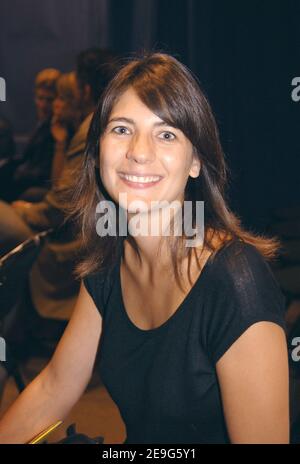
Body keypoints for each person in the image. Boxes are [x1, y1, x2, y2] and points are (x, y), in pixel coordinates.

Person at [0, 52, 289, 444]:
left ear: (195, 162)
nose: (139, 151)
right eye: (121, 129)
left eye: (166, 134)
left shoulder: (236, 280)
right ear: (97, 148)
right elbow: (54, 386)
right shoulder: (110, 258)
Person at [9, 68, 61, 202]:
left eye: (49, 100)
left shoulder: (57, 130)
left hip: (35, 188)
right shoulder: (42, 123)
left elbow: (44, 172)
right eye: (40, 98)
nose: (43, 105)